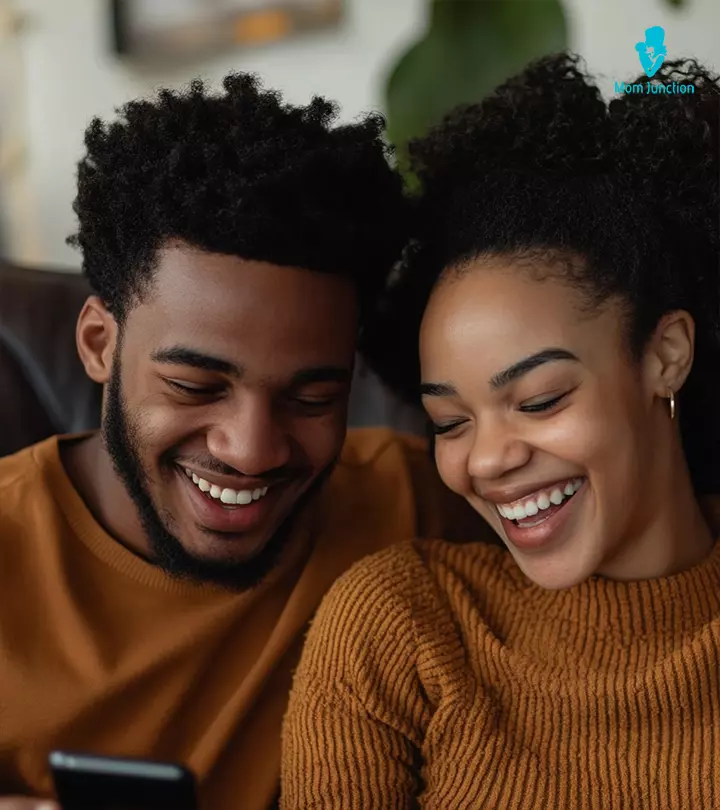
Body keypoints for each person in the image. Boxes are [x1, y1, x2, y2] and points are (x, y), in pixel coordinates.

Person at [0, 74, 490, 810]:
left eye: (313, 397)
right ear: (100, 343)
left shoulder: (420, 506)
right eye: (195, 387)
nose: (252, 450)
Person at [281, 54, 720, 809]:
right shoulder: (400, 626)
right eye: (451, 421)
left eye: (540, 399)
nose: (487, 459)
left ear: (665, 356)